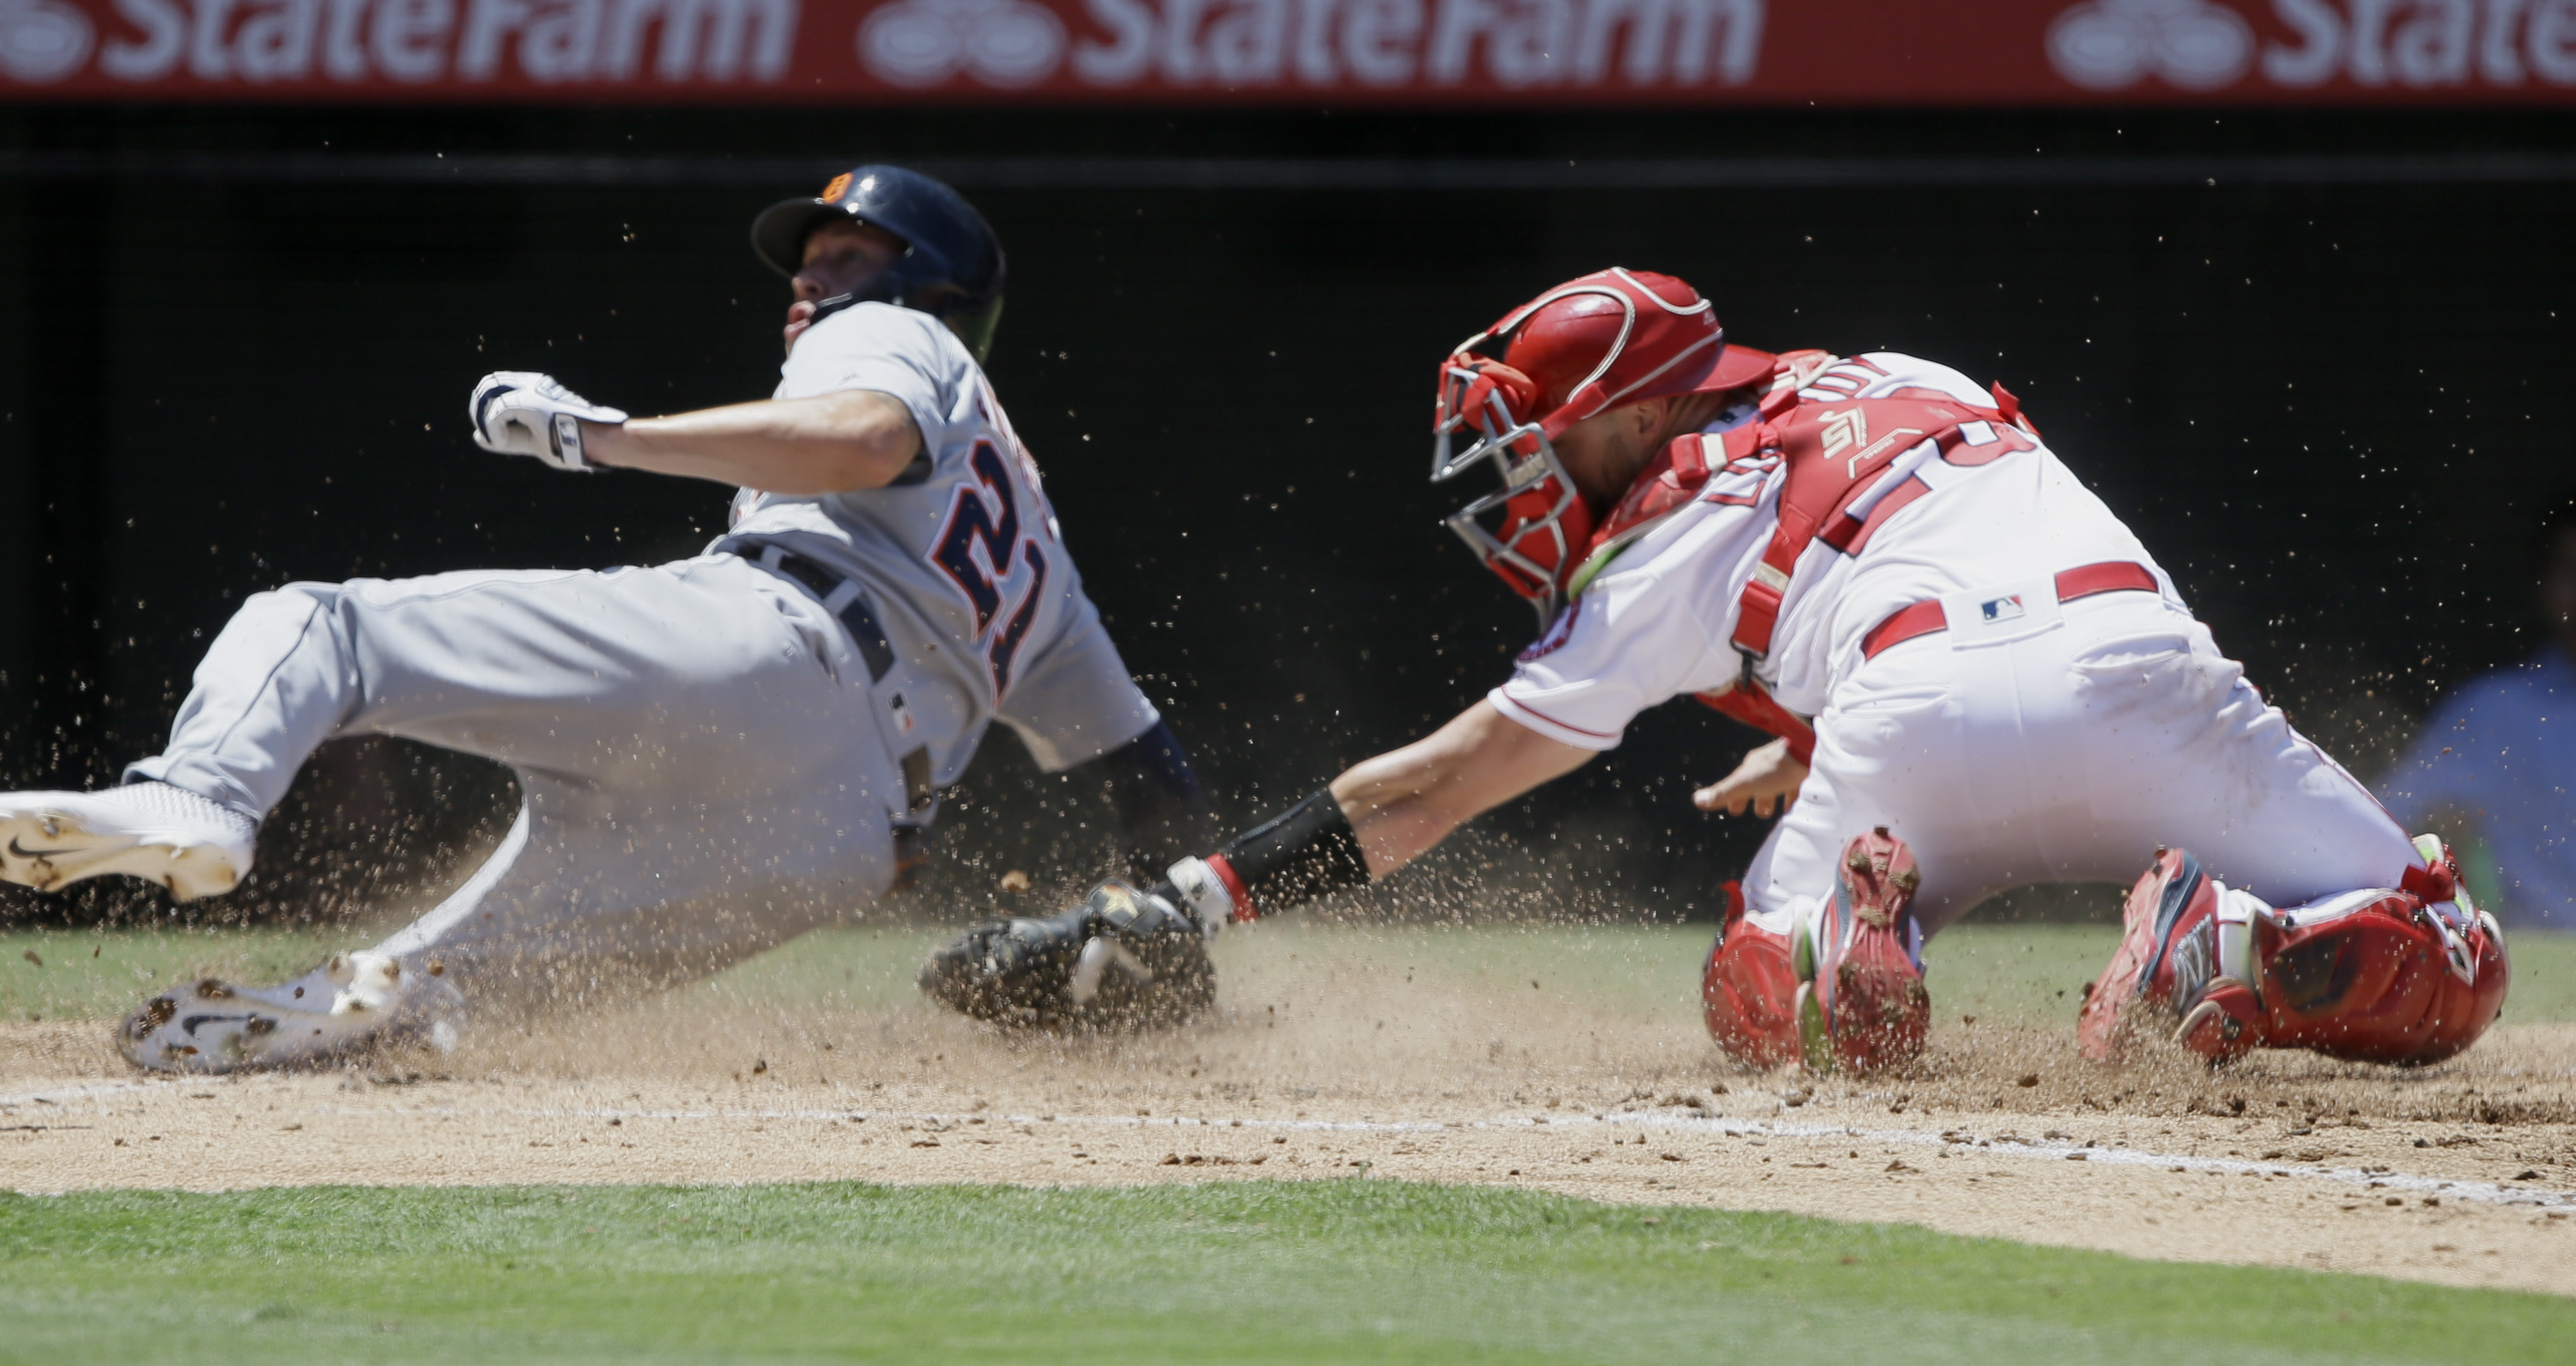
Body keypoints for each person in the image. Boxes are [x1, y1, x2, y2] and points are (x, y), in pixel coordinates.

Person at [924, 267, 2508, 1073]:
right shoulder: (1911, 369)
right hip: (2156, 685)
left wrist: (1186, 900)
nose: (1516, 485)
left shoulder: (1662, 537)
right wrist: (1814, 722)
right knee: (2445, 953)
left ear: (1630, 411)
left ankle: (1845, 956)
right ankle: (2209, 947)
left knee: (1767, 1005)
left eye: (1535, 446)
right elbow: (1989, 584)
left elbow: (1436, 786)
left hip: (1911, 740)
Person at [0, 165, 1209, 1072]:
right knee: (428, 996)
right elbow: (1152, 773)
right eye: (809, 264)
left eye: (846, 257)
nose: (812, 284)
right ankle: (328, 1024)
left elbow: (868, 440)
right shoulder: (1034, 542)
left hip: (783, 654)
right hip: (848, 839)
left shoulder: (895, 341)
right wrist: (1174, 942)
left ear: (925, 291)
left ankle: (201, 795)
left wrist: (597, 437)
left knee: (325, 627)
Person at [2376, 496, 2576, 930]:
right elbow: (2379, 821)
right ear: (2545, 588)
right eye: (2573, 572)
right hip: (2536, 964)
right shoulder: (2493, 712)